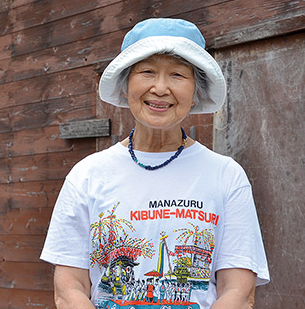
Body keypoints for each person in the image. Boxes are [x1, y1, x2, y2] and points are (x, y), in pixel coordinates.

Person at [41, 18, 269, 309]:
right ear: (126, 86)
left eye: (177, 75)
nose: (160, 88)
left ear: (195, 93)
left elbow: (238, 292)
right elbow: (69, 288)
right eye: (147, 72)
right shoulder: (87, 175)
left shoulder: (225, 175)